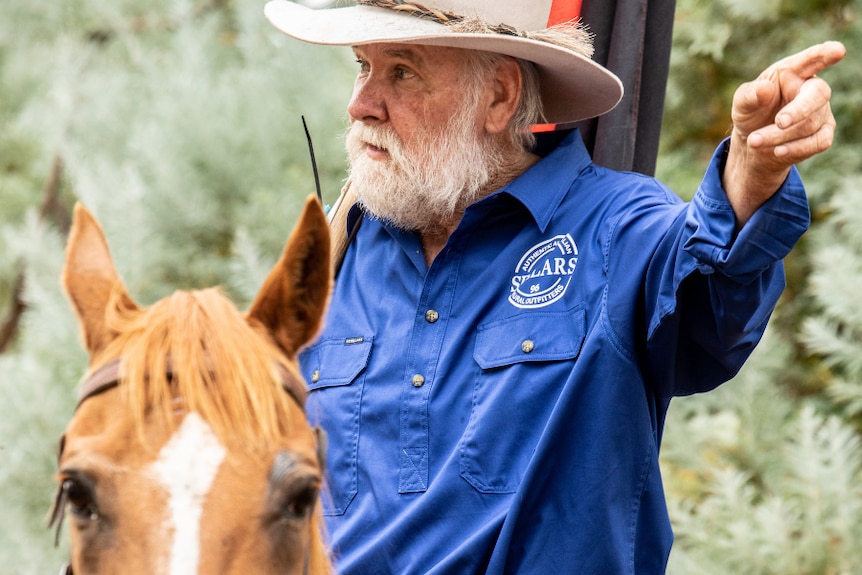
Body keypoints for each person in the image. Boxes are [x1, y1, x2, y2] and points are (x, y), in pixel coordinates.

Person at [264, 1, 845, 573]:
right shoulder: (340, 245)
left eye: (403, 71)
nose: (361, 104)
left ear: (499, 97)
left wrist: (750, 170)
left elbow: (711, 295)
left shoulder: (616, 226)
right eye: (363, 66)